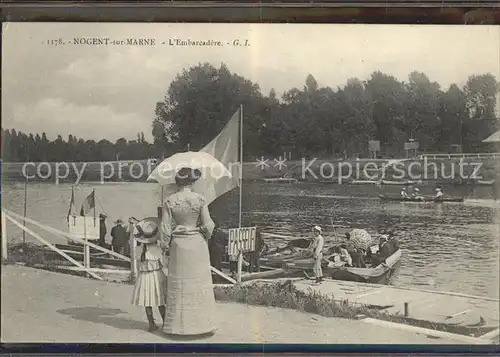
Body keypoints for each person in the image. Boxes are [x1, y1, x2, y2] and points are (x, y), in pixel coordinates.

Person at [160, 167, 217, 336]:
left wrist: (165, 245)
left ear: (178, 182)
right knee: (198, 282)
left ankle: (177, 327)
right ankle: (202, 326)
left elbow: (164, 228)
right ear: (192, 182)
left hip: (178, 243)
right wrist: (201, 231)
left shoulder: (169, 201)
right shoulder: (199, 199)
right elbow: (209, 225)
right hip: (197, 242)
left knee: (179, 282)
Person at [130, 217, 167, 332]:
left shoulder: (138, 250)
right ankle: (165, 323)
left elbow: (137, 265)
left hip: (143, 277)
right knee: (160, 300)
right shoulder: (157, 250)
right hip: (156, 275)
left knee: (147, 301)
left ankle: (151, 324)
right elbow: (164, 264)